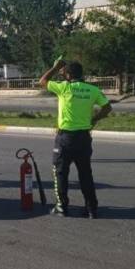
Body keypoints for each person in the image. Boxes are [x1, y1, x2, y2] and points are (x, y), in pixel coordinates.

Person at [39, 59, 112, 218]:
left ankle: (62, 207)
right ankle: (91, 208)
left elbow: (43, 81)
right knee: (85, 173)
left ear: (68, 75)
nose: (62, 74)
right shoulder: (92, 90)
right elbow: (107, 108)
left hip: (65, 138)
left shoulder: (64, 87)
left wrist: (55, 67)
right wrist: (94, 119)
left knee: (60, 173)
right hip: (84, 138)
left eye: (64, 72)